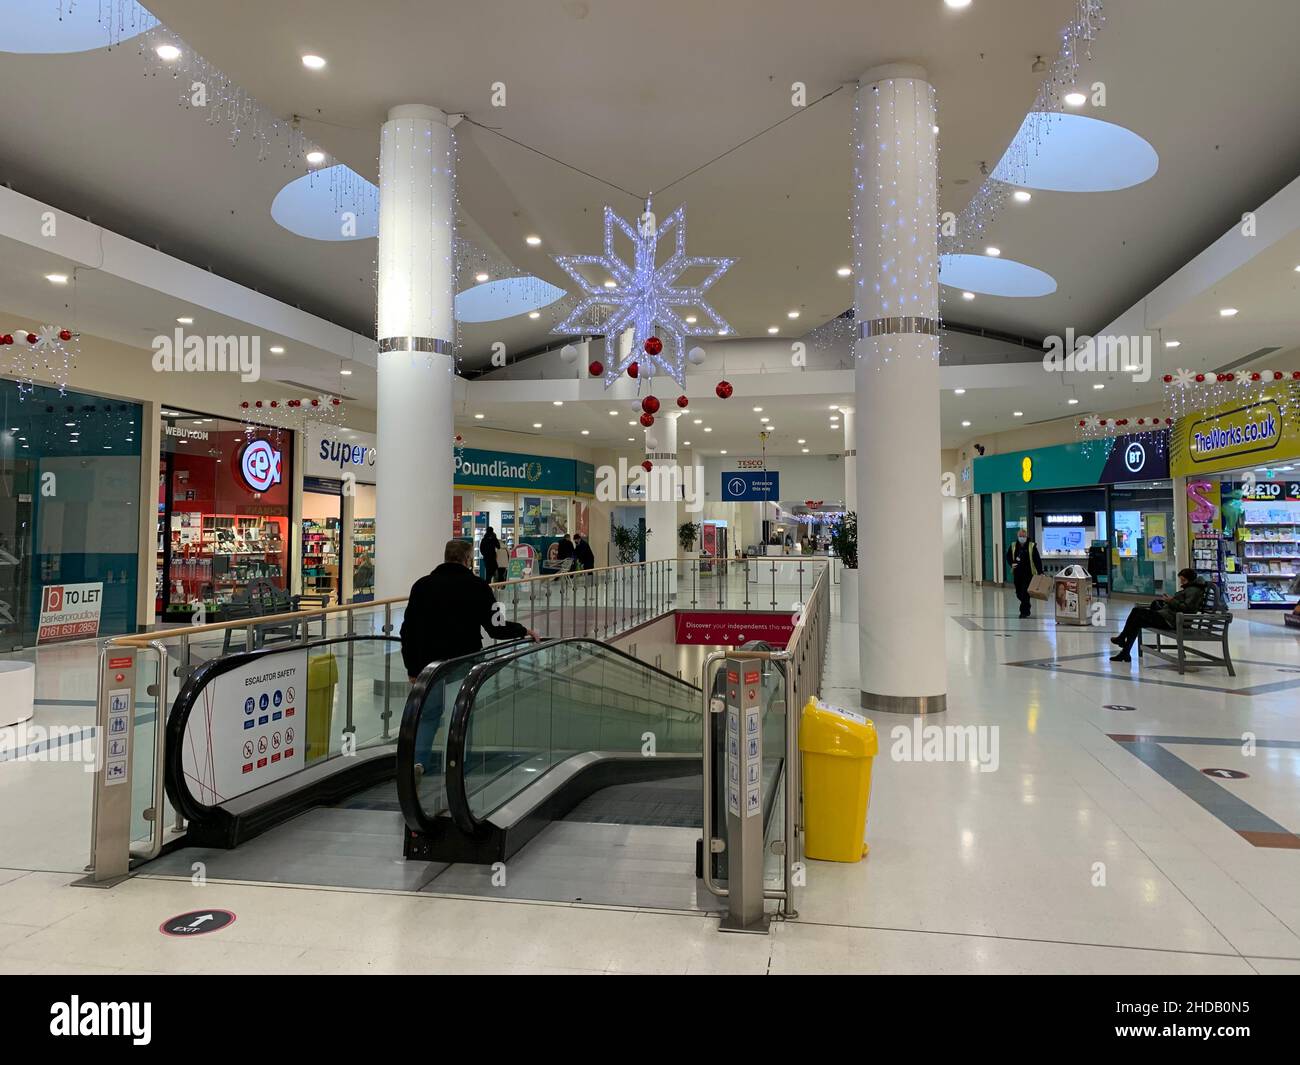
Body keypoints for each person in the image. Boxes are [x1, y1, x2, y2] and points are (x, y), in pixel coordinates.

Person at [401, 538, 537, 681]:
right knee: (463, 701)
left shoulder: (421, 586)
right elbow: (497, 627)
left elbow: (408, 630)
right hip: (465, 662)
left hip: (428, 666)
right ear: (467, 559)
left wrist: (412, 668)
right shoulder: (478, 586)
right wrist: (523, 630)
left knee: (432, 702)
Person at [1110, 567, 1207, 662]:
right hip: (1170, 617)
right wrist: (1168, 602)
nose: (1181, 582)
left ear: (1190, 580)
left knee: (1136, 612)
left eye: (1183, 580)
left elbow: (1187, 609)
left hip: (1173, 621)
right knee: (1137, 620)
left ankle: (1122, 640)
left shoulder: (1194, 591)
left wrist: (1171, 601)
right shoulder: (1190, 588)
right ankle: (1125, 652)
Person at [1006, 529, 1043, 619]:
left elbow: (1037, 559)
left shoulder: (1031, 546)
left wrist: (1040, 572)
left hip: (1029, 574)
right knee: (1019, 593)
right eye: (1020, 536)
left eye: (1023, 536)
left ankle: (1024, 612)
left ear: (1026, 537)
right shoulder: (1013, 546)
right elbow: (1008, 556)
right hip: (1017, 573)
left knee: (1025, 592)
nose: (1022, 538)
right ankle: (1026, 603)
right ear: (1017, 537)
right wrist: (1011, 563)